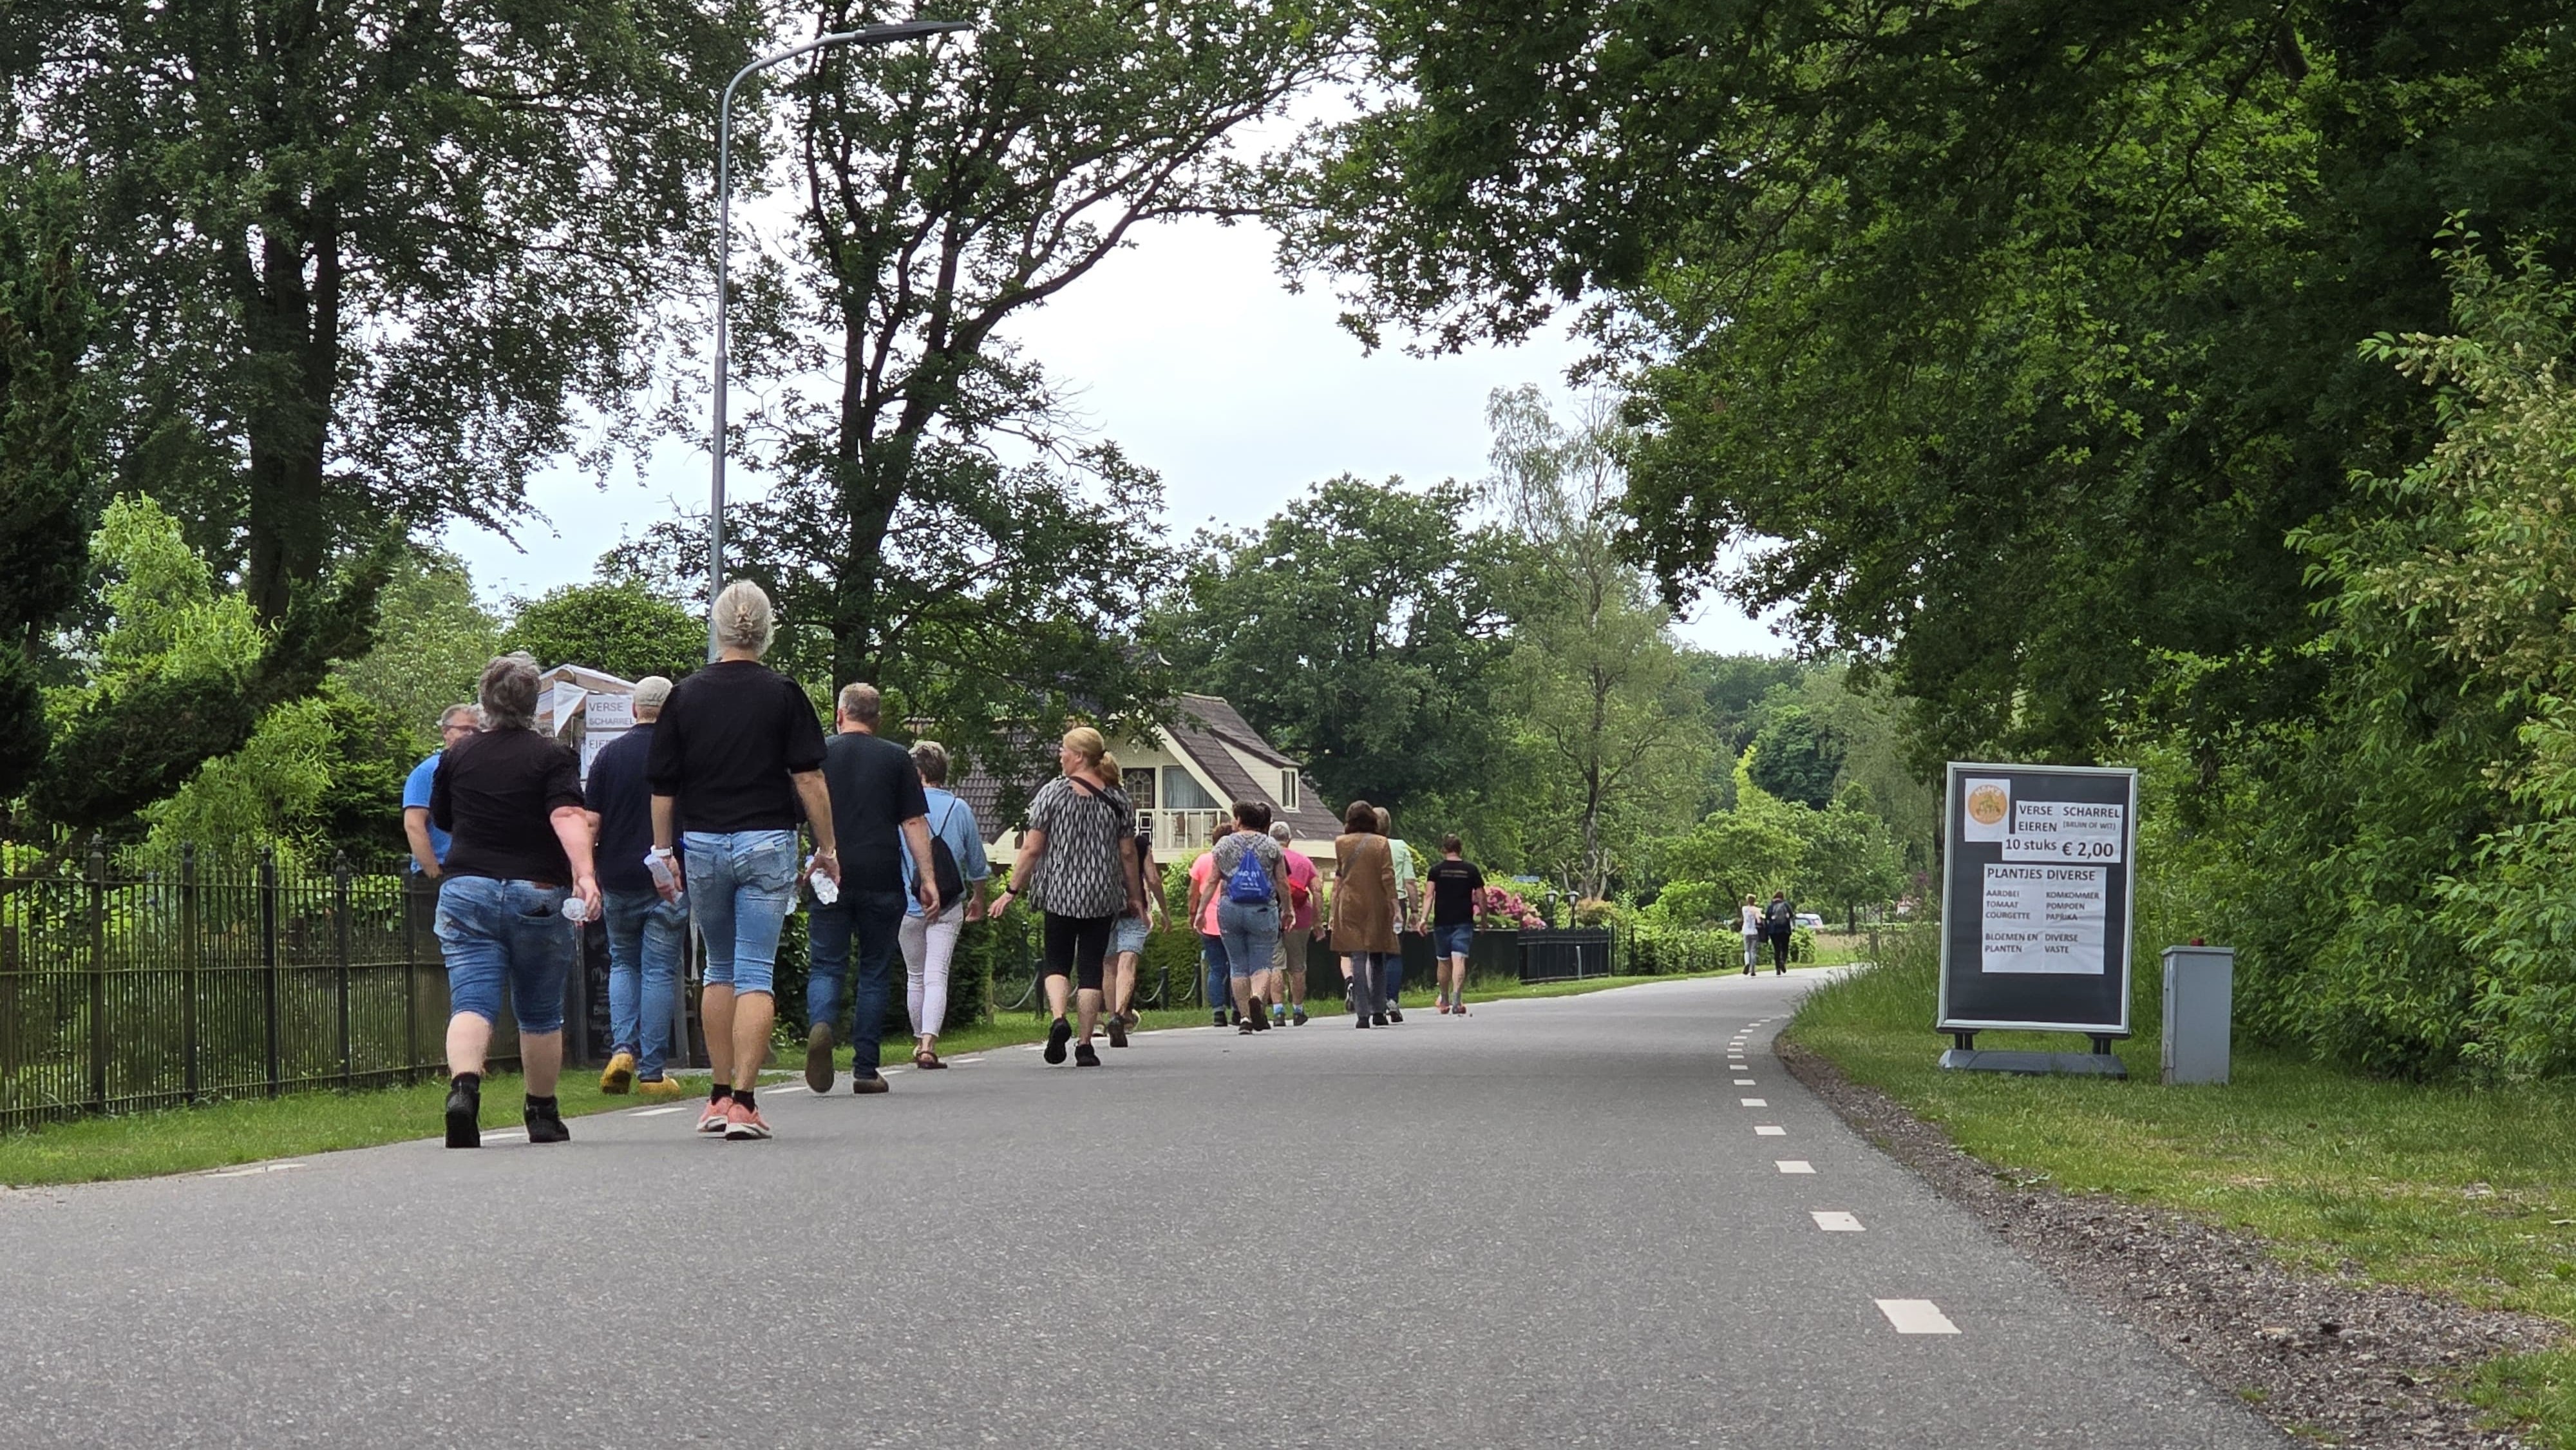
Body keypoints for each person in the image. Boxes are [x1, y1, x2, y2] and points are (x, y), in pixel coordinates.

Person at [647, 580, 840, 1141]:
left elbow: (663, 784)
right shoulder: (783, 693)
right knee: (756, 971)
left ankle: (717, 1092)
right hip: (766, 840)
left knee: (718, 969)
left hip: (704, 840)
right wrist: (827, 849)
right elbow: (809, 777)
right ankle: (746, 1103)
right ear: (767, 628)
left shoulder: (684, 695)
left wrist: (664, 849)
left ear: (717, 628)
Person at [428, 654, 598, 1149]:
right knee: (541, 1010)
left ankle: (464, 1091)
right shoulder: (552, 756)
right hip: (538, 893)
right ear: (534, 704)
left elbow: (442, 816)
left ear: (484, 701)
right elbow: (567, 814)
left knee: (473, 1001)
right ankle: (541, 1113)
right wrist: (585, 874)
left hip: (468, 890)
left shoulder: (457, 756)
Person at [804, 683, 938, 1096]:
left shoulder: (818, 756)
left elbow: (797, 814)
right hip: (881, 875)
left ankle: (821, 1023)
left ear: (840, 714)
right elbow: (914, 823)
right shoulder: (897, 759)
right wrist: (928, 877)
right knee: (875, 971)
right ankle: (865, 1069)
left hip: (830, 873)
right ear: (877, 719)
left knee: (827, 964)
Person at [989, 727, 1134, 1067]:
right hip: (1101, 894)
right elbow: (1128, 854)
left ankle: (1058, 1019)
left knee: (1056, 961)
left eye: (1065, 750)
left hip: (1058, 892)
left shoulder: (1052, 794)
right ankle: (1085, 1045)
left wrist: (1012, 890)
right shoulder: (1118, 799)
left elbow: (1032, 848)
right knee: (1090, 970)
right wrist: (1136, 896)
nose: (1060, 754)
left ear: (1080, 756)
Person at [583, 676, 688, 1100]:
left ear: (633, 710)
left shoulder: (608, 755)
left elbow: (592, 821)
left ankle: (622, 1048)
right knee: (661, 969)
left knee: (623, 962)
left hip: (618, 876)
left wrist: (588, 872)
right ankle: (652, 1070)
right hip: (667, 877)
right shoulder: (682, 754)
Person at [898, 739, 989, 1069]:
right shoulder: (960, 809)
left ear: (918, 773)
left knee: (915, 976)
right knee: (937, 974)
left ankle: (917, 1040)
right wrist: (979, 897)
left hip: (908, 903)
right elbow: (978, 863)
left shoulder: (901, 810)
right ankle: (928, 1045)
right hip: (949, 904)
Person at [1209, 799, 1291, 1035]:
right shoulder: (1271, 845)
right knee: (1263, 962)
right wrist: (1288, 910)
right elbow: (1282, 883)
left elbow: (1213, 880)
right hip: (1263, 909)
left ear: (1240, 820)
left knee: (1237, 965)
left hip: (1230, 908)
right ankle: (1257, 997)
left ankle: (1245, 1017)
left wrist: (1200, 912)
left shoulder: (1224, 844)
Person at [1330, 800, 1399, 1028]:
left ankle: (1362, 1014)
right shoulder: (1381, 843)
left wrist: (1333, 908)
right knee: (1378, 956)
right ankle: (1379, 1010)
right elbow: (1388, 876)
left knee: (1357, 957)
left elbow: (1340, 875)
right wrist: (1395, 906)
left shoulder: (1341, 843)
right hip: (1376, 903)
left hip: (1350, 903)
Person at [1104, 815, 1164, 1047]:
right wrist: (1163, 912)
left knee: (1108, 966)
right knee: (1127, 963)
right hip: (1134, 909)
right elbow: (1153, 878)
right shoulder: (1140, 843)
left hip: (1104, 909)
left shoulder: (1100, 842)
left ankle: (1112, 1018)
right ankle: (1120, 1014)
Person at [402, 703, 480, 879]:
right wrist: (434, 872)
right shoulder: (428, 771)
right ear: (446, 732)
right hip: (441, 870)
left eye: (475, 730)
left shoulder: (478, 770)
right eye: (464, 729)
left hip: (474, 872)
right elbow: (414, 825)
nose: (470, 735)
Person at [1423, 835, 1484, 1016]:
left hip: (1442, 921)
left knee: (1443, 961)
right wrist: (1485, 919)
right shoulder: (1471, 870)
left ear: (1444, 850)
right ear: (1460, 849)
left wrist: (1423, 919)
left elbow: (1428, 896)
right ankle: (1457, 999)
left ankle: (1444, 999)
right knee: (1459, 960)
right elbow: (1481, 896)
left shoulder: (1436, 871)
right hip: (1463, 921)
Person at [1267, 820, 1317, 1025]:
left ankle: (1278, 1011)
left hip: (1273, 917)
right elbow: (1318, 891)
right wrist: (1318, 920)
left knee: (1276, 965)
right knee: (1298, 966)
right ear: (1290, 839)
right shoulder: (1304, 862)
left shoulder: (1266, 859)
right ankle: (1298, 1010)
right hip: (1300, 920)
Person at [1185, 819, 1231, 1026]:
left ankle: (1218, 1011)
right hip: (1232, 919)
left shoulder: (1202, 861)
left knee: (1216, 967)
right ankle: (1240, 1009)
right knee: (1238, 967)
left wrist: (1193, 915)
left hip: (1208, 921)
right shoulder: (1235, 859)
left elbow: (1193, 892)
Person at [1374, 805, 1417, 1022]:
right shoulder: (1400, 848)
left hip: (1373, 902)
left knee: (1374, 953)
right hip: (1397, 903)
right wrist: (1415, 910)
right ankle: (1392, 999)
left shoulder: (1367, 845)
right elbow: (1410, 882)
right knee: (1394, 953)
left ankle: (1376, 1001)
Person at [1764, 890, 1796, 975]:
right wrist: (1793, 926)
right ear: (1782, 897)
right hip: (1785, 930)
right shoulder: (1785, 905)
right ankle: (1783, 961)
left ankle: (1778, 968)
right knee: (1785, 948)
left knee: (1777, 949)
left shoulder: (1771, 906)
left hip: (1774, 931)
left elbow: (1767, 917)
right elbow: (1792, 916)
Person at [1739, 894, 1763, 977]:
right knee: (1753, 951)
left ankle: (1747, 963)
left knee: (1747, 950)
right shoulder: (1756, 910)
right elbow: (1759, 921)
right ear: (1754, 901)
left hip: (1745, 931)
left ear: (1747, 901)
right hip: (1754, 932)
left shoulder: (1744, 909)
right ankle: (1753, 970)